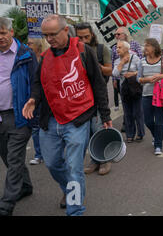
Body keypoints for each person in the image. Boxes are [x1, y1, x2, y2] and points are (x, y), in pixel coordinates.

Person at [22, 14, 112, 216]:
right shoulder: (44, 57)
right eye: (45, 35)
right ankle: (69, 189)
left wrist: (105, 116)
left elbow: (98, 84)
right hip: (51, 121)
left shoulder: (84, 52)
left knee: (74, 168)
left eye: (53, 34)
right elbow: (38, 83)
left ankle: (75, 209)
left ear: (65, 30)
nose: (49, 39)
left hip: (78, 120)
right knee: (53, 163)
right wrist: (34, 99)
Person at [0, 17, 37, 216]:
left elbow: (36, 82)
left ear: (11, 32)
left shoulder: (26, 55)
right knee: (7, 156)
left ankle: (6, 206)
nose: (0, 38)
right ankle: (24, 186)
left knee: (14, 158)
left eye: (3, 33)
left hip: (19, 115)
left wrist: (32, 101)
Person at [75, 23, 113, 176]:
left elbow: (110, 70)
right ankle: (95, 159)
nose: (83, 40)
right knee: (87, 131)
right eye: (80, 37)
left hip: (98, 94)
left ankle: (105, 159)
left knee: (99, 128)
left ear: (92, 35)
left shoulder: (101, 49)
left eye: (86, 37)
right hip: (81, 97)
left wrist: (96, 67)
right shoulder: (73, 50)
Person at [137, 38, 163, 155]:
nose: (145, 48)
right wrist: (147, 79)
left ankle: (158, 145)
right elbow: (139, 79)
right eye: (144, 45)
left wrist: (160, 76)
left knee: (159, 122)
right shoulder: (141, 61)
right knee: (148, 121)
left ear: (154, 47)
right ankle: (156, 135)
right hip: (146, 95)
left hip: (160, 95)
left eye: (147, 45)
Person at [112, 40, 145, 143]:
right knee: (127, 113)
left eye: (120, 47)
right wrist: (122, 63)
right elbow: (115, 74)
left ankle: (140, 133)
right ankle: (130, 134)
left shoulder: (135, 58)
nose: (117, 49)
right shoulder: (118, 61)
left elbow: (142, 71)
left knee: (137, 112)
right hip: (124, 89)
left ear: (127, 49)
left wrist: (133, 74)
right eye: (117, 47)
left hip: (135, 88)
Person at [111, 27, 143, 123]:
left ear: (125, 35)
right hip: (122, 79)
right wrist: (114, 79)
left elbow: (141, 59)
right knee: (125, 102)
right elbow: (113, 63)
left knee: (136, 103)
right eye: (115, 34)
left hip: (134, 80)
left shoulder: (135, 44)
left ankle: (137, 124)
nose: (116, 36)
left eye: (118, 34)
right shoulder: (114, 47)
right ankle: (127, 123)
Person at [26, 37, 49, 165]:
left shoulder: (44, 59)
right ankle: (39, 154)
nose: (27, 45)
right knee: (35, 128)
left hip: (45, 99)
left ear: (38, 45)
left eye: (30, 43)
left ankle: (50, 153)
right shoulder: (27, 59)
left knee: (46, 127)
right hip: (33, 98)